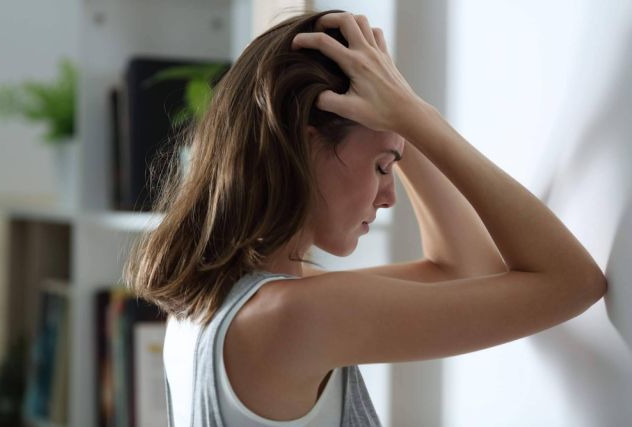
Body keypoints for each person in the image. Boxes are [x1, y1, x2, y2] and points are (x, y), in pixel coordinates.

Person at [123, 9, 608, 427]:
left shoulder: (217, 302)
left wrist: (398, 118)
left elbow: (463, 271)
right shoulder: (294, 316)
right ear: (307, 143)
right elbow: (573, 282)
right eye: (381, 166)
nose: (389, 196)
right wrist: (417, 118)